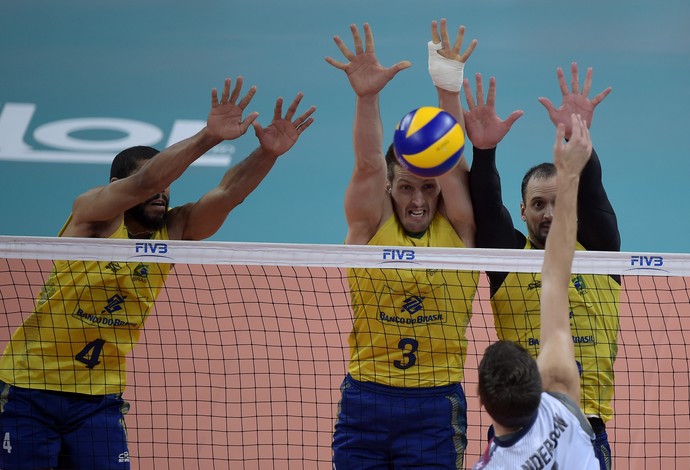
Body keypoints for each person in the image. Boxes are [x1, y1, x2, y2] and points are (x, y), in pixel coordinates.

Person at [0, 76, 315, 470]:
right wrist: (208, 137)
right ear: (118, 187)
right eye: (157, 183)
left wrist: (268, 154)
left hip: (98, 399)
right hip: (30, 389)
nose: (163, 191)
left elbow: (228, 193)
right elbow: (147, 180)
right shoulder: (93, 215)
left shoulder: (174, 229)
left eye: (168, 186)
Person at [325, 21, 479, 469]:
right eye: (407, 188)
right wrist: (366, 96)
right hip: (365, 401)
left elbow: (450, 158)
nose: (418, 200)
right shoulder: (368, 228)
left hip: (435, 405)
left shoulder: (460, 232)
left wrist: (448, 89)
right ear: (391, 188)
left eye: (429, 189)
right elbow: (369, 165)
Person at [466, 64, 620, 470]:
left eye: (555, 202)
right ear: (522, 210)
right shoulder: (508, 262)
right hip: (520, 423)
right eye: (537, 205)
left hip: (584, 425)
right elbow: (485, 205)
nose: (549, 213)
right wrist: (483, 152)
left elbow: (592, 190)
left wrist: (576, 135)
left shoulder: (602, 249)